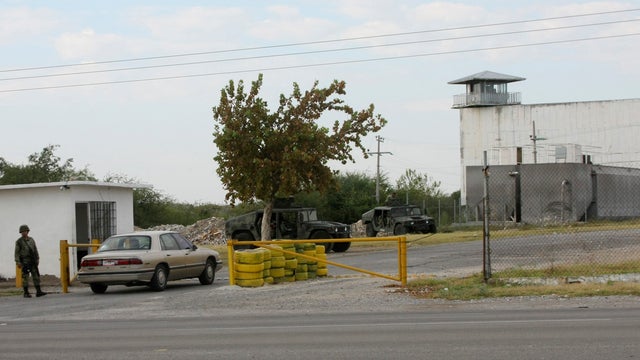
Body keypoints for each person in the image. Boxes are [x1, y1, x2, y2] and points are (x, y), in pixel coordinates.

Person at [14, 224, 46, 298]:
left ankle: (38, 291)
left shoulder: (31, 240)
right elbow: (17, 253)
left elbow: (35, 249)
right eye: (22, 232)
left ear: (27, 231)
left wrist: (37, 259)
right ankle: (26, 292)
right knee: (25, 277)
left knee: (36, 276)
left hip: (32, 260)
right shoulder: (19, 242)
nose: (23, 233)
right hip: (25, 261)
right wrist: (18, 262)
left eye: (25, 231)